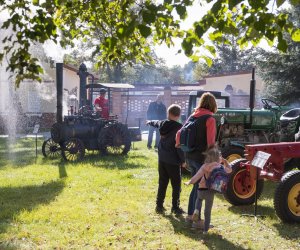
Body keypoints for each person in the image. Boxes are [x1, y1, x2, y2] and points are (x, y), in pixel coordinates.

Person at [176, 92, 218, 223]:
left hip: (189, 156)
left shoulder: (193, 116)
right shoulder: (210, 119)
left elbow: (178, 134)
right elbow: (211, 143)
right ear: (213, 104)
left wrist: (179, 146)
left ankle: (192, 215)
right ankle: (194, 217)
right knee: (201, 188)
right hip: (201, 158)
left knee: (196, 186)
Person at [147, 104, 186, 215]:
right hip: (173, 161)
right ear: (178, 115)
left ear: (168, 114)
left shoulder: (163, 123)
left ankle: (159, 206)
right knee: (176, 185)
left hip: (162, 159)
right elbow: (178, 146)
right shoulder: (179, 128)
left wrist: (149, 121)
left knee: (162, 183)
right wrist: (183, 160)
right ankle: (175, 207)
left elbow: (156, 123)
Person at [184, 145, 232, 234]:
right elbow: (230, 170)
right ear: (218, 157)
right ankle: (205, 231)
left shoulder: (205, 166)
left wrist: (189, 182)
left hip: (201, 189)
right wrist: (225, 161)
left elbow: (197, 176)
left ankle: (196, 210)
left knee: (198, 199)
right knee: (207, 211)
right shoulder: (220, 167)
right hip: (211, 191)